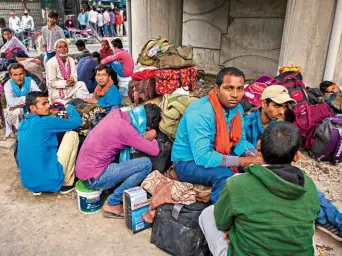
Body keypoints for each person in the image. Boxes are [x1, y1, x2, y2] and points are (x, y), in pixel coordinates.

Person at [199, 121, 320, 256]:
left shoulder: (236, 183)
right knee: (308, 234)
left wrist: (233, 231)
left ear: (259, 145)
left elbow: (221, 223)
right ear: (297, 156)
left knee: (208, 213)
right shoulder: (308, 185)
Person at [244, 86, 342, 242]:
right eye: (276, 106)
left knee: (311, 188)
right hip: (256, 172)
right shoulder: (247, 124)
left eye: (283, 107)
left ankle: (335, 222)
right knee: (302, 190)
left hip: (276, 168)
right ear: (264, 103)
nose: (282, 112)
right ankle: (323, 219)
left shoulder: (278, 126)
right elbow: (244, 154)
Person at [171, 67, 262, 204]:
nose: (235, 95)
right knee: (226, 177)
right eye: (229, 88)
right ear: (217, 89)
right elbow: (202, 156)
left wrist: (256, 155)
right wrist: (242, 161)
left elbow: (240, 141)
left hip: (219, 151)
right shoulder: (200, 113)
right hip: (188, 161)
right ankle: (218, 216)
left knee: (259, 168)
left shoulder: (237, 109)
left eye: (239, 89)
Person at [75, 103, 161, 218]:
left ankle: (110, 191)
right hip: (94, 178)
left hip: (84, 171)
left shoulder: (117, 113)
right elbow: (155, 151)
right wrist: (153, 134)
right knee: (146, 164)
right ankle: (112, 202)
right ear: (147, 127)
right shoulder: (127, 130)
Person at [18, 91, 82, 195]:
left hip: (29, 183)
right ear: (32, 108)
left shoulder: (22, 124)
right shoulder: (46, 121)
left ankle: (38, 188)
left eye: (48, 103)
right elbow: (76, 122)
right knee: (72, 134)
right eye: (44, 104)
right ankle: (67, 184)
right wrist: (69, 107)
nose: (48, 106)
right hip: (50, 182)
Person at [46, 39, 89, 104]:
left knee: (81, 84)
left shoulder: (71, 60)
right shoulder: (51, 63)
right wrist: (66, 83)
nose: (63, 49)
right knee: (66, 106)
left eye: (65, 46)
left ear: (67, 49)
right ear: (56, 50)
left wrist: (73, 80)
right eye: (60, 47)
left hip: (70, 88)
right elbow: (51, 83)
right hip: (57, 92)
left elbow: (74, 76)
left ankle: (83, 104)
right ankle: (80, 103)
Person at [3, 63, 40, 137]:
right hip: (13, 113)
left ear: (25, 73)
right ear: (11, 76)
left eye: (21, 74)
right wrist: (29, 98)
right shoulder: (8, 85)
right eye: (15, 75)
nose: (19, 77)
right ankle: (18, 131)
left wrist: (20, 103)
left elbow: (38, 95)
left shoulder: (30, 81)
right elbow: (11, 103)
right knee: (17, 111)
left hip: (29, 109)